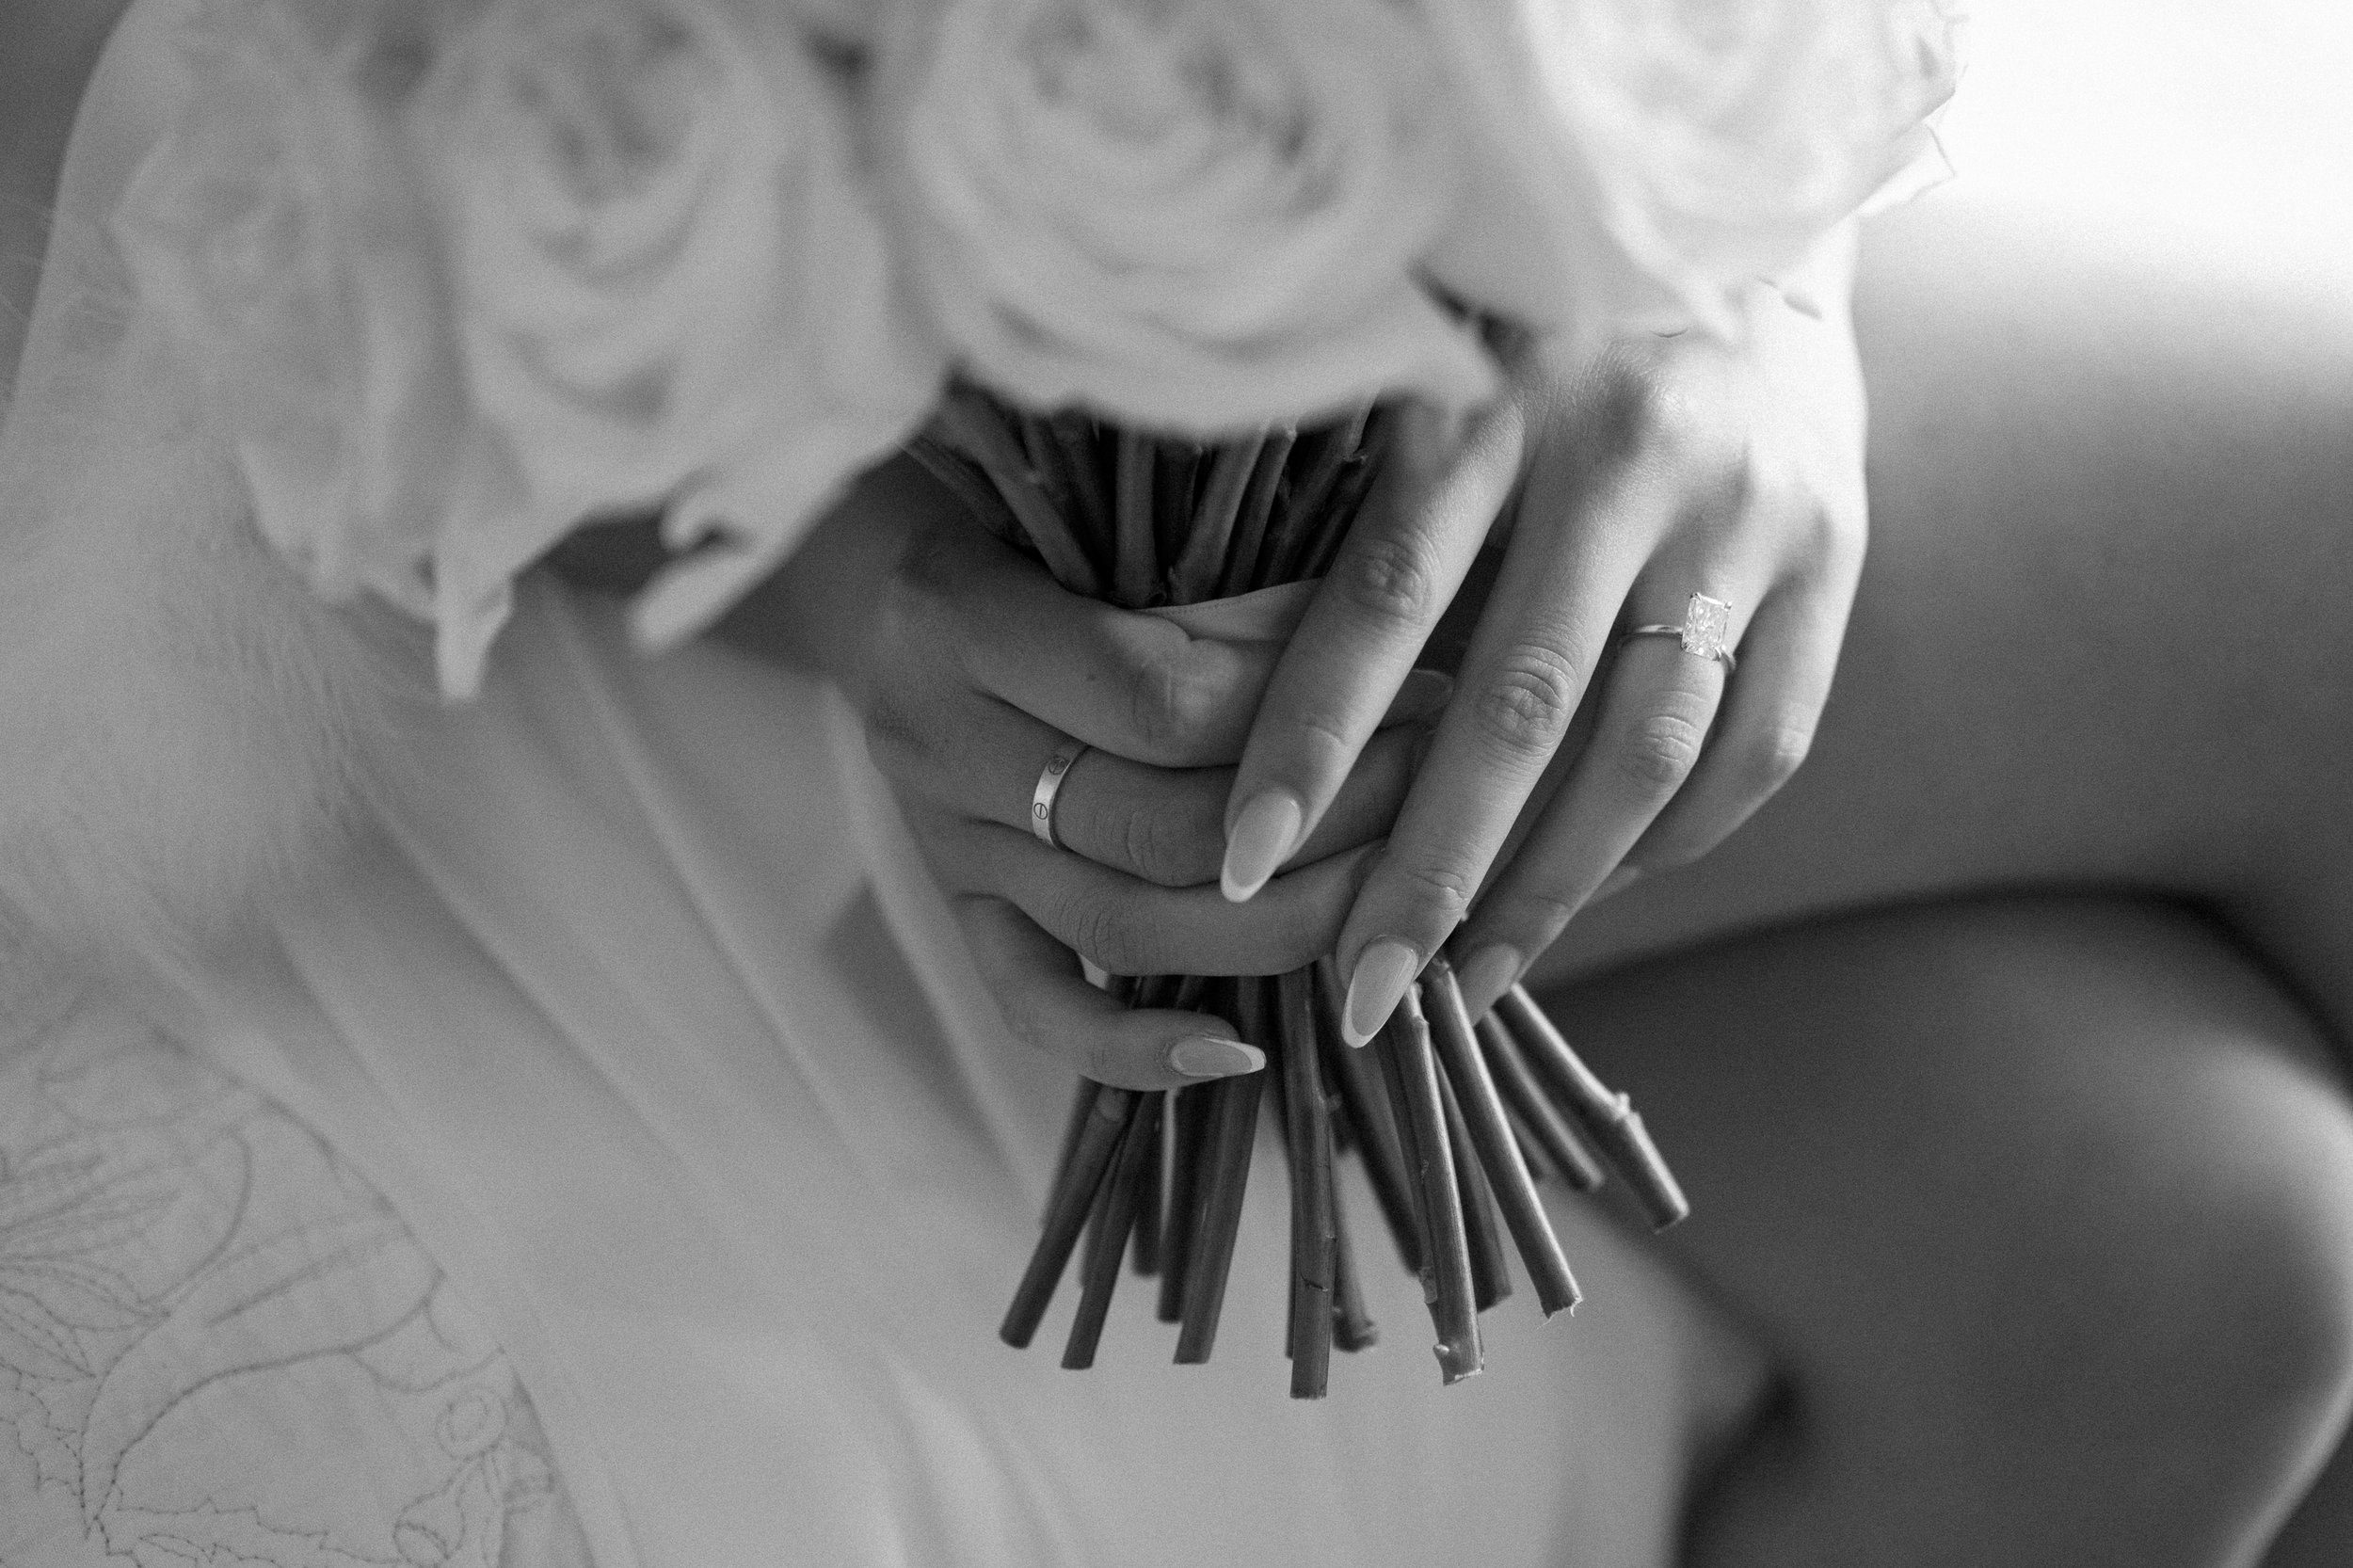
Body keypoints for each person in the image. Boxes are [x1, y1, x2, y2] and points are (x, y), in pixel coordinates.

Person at [4, 5, 2351, 1568]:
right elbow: (245, 133)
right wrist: (882, 598)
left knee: (2189, 1244)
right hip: (757, 531)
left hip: (1453, 234)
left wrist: (1739, 259)